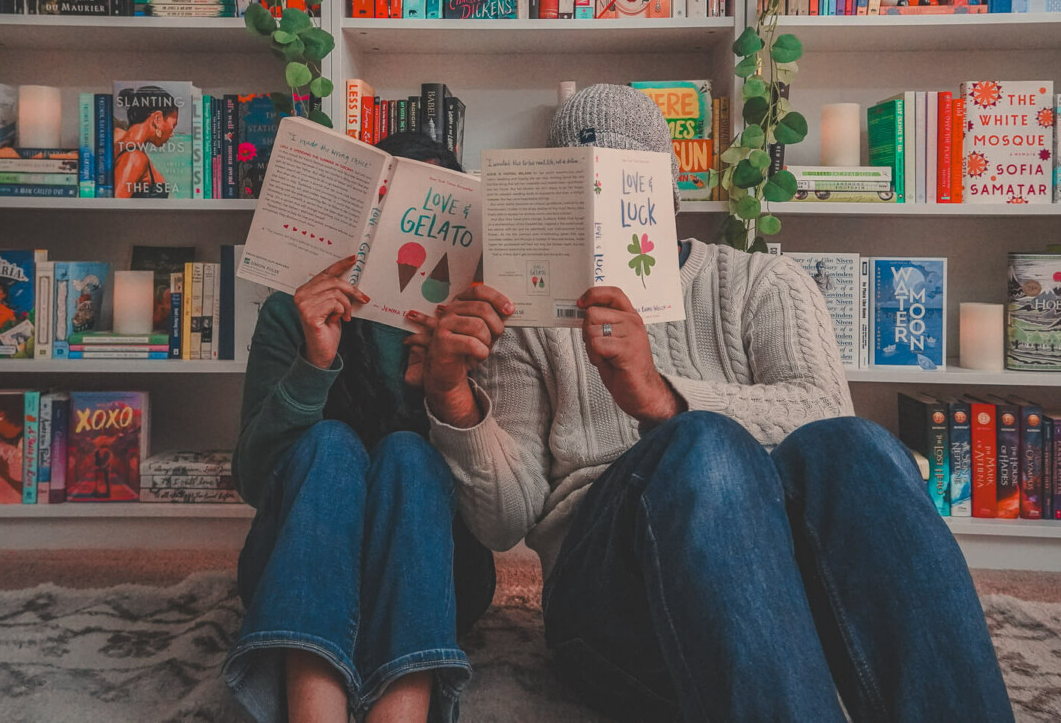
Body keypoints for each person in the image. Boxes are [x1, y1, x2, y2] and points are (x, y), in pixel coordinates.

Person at [422, 84, 1014, 722]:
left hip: (779, 599)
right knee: (702, 446)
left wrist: (665, 398)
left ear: (668, 192)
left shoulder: (762, 282)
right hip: (610, 607)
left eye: (623, 185)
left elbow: (823, 414)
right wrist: (453, 396)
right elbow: (504, 522)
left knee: (856, 443)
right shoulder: (528, 318)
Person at [223, 132, 496, 723]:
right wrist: (314, 365)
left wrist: (443, 388)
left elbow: (491, 501)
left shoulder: (474, 326)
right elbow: (251, 480)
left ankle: (404, 708)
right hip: (300, 574)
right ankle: (312, 708)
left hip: (432, 577)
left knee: (406, 452)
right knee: (332, 443)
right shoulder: (290, 311)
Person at [113, 85, 180, 198]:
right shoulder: (134, 156)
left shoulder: (122, 141)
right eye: (173, 126)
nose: (172, 133)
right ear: (157, 118)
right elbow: (116, 208)